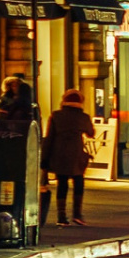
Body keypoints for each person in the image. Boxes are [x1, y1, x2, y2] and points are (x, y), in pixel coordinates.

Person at [41, 89, 95, 226]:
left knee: (62, 184)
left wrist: (44, 159)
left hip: (59, 153)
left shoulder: (56, 116)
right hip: (76, 154)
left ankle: (61, 216)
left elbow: (49, 138)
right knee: (78, 182)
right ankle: (77, 214)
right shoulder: (83, 117)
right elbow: (91, 133)